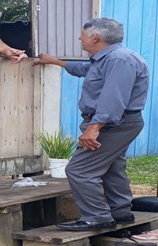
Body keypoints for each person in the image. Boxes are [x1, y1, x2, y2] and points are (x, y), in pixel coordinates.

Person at [34, 17, 149, 231]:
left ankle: (97, 217)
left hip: (113, 125)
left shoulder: (119, 60)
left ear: (95, 37)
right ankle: (120, 211)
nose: (80, 38)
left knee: (79, 170)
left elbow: (113, 99)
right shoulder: (106, 59)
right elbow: (83, 70)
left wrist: (94, 127)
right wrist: (54, 61)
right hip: (117, 124)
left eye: (83, 35)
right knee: (112, 167)